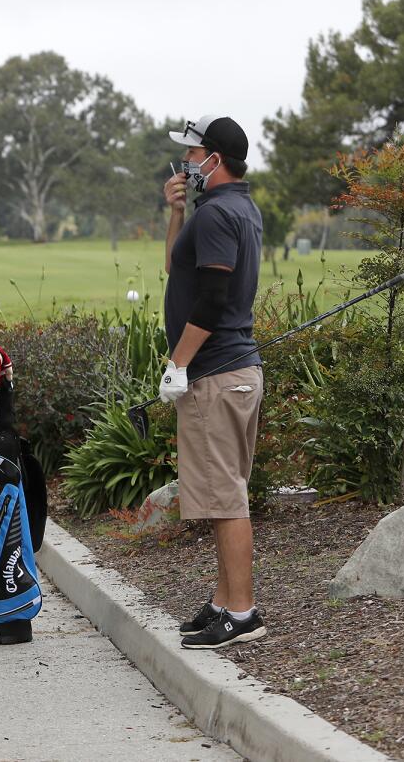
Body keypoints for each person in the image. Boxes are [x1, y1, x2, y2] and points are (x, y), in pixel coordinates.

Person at [160, 115, 266, 650]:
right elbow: (178, 268)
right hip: (231, 372)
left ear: (214, 160)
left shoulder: (221, 213)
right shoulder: (231, 208)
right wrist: (176, 213)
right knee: (225, 493)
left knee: (225, 499)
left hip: (217, 373)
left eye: (193, 153)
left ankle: (242, 612)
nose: (186, 163)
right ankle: (225, 601)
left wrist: (178, 362)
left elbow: (212, 300)